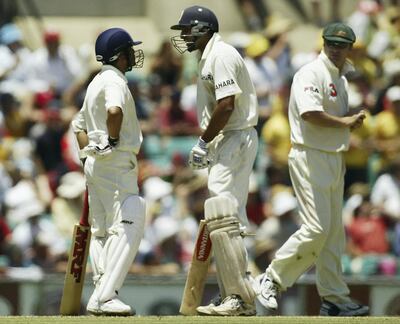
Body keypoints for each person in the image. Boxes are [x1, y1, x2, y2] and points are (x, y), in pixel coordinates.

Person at [253, 22, 370, 316]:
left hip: (334, 157)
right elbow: (309, 113)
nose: (335, 48)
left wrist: (347, 128)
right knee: (317, 228)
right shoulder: (310, 72)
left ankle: (334, 299)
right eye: (330, 43)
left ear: (349, 48)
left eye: (341, 45)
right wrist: (345, 123)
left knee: (332, 234)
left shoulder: (340, 79)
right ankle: (272, 277)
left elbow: (332, 118)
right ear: (323, 43)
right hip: (309, 156)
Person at [170, 5, 259, 316]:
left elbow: (226, 105)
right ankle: (233, 295)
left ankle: (240, 296)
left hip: (234, 136)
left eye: (185, 29)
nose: (182, 36)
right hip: (230, 138)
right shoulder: (209, 55)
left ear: (201, 28)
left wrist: (203, 141)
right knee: (226, 216)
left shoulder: (220, 55)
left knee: (222, 212)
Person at [71, 27, 146, 316]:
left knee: (102, 231)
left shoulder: (94, 82)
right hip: (116, 163)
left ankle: (100, 292)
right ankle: (106, 296)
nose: (132, 56)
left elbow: (79, 126)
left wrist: (87, 156)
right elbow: (115, 112)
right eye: (129, 51)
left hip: (96, 164)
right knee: (131, 217)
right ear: (120, 56)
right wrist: (112, 141)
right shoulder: (115, 80)